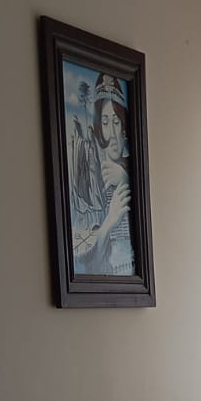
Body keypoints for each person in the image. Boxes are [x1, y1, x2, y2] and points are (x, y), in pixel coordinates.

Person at [72, 72, 134, 277]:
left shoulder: (132, 173)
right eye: (106, 122)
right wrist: (110, 220)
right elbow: (85, 264)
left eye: (117, 122)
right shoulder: (90, 184)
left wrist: (125, 178)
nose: (113, 134)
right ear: (99, 128)